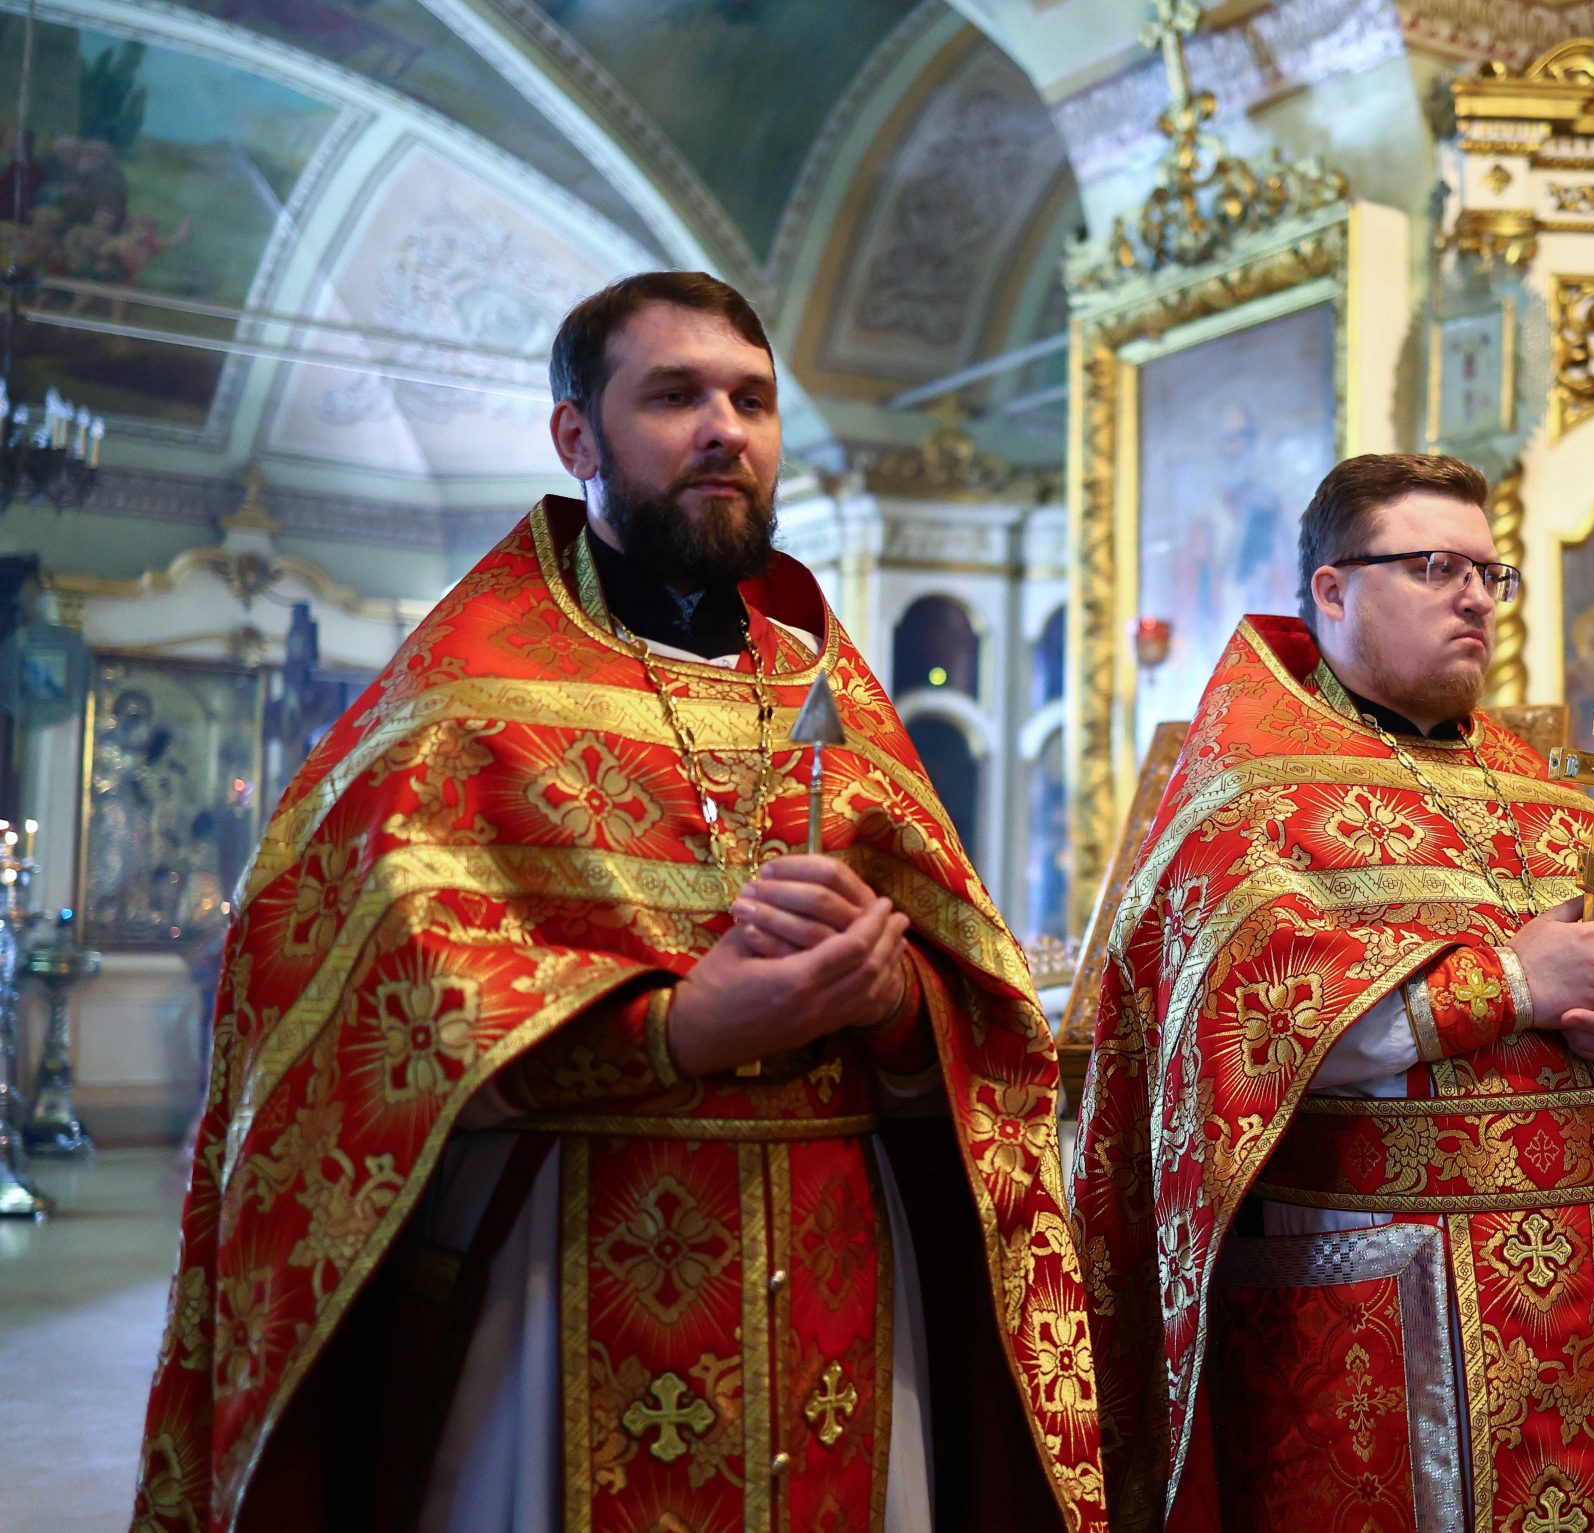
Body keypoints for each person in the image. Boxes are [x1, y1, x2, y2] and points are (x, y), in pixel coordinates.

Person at [131, 272, 1104, 1533]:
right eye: (675, 396)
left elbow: (976, 1011)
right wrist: (672, 1033)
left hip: (840, 1282)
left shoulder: (833, 695)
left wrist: (895, 1003)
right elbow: (356, 1042)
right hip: (557, 1276)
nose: (725, 430)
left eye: (750, 400)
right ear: (576, 437)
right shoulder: (463, 699)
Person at [1071, 453, 1594, 1531]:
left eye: (1490, 575)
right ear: (1332, 589)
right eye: (1437, 567)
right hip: (1396, 1318)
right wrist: (1513, 981)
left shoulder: (1542, 785)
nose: (1475, 599)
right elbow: (1247, 1027)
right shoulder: (1246, 791)